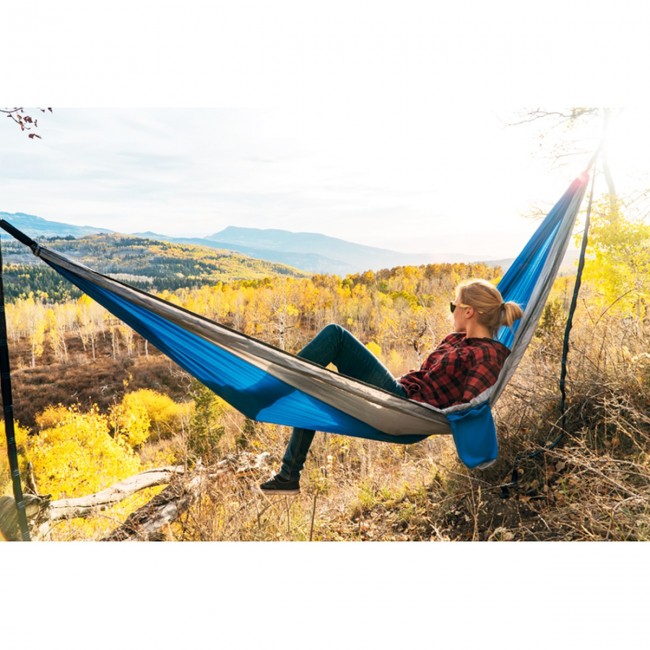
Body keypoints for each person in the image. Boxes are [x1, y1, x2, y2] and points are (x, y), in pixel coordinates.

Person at [259, 279, 523, 495]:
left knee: (335, 335)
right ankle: (288, 476)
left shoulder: (487, 355)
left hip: (406, 407)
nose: (451, 310)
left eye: (453, 304)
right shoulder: (456, 338)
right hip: (400, 393)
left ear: (469, 312)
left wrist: (444, 421)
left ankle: (270, 387)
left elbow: (472, 405)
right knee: (316, 385)